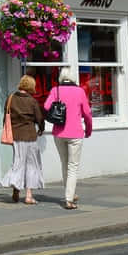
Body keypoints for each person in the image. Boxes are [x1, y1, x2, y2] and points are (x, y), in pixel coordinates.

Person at [43, 68, 93, 210]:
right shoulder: (80, 91)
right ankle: (69, 199)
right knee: (73, 167)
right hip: (75, 133)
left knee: (65, 164)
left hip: (59, 133)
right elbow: (88, 113)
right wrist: (88, 130)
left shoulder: (56, 90)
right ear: (73, 78)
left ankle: (69, 193)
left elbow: (46, 106)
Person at [0, 75, 45, 206]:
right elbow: (39, 118)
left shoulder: (10, 98)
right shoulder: (32, 101)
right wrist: (41, 128)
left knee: (18, 162)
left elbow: (5, 117)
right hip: (30, 136)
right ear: (31, 86)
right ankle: (29, 196)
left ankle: (16, 189)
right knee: (31, 165)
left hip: (15, 136)